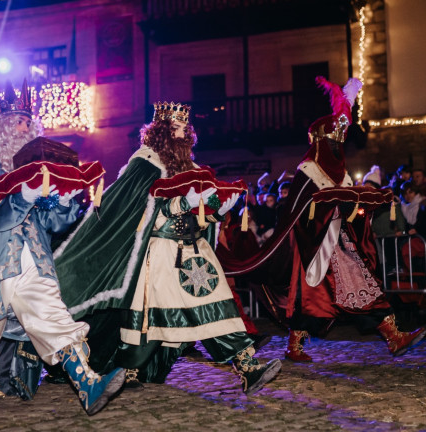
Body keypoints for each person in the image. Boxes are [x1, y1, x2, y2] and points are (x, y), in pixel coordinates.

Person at [54, 102, 281, 395]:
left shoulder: (195, 169)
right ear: (161, 131)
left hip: (196, 251)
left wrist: (219, 204)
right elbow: (136, 210)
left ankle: (249, 368)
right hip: (160, 252)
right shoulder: (145, 162)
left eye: (186, 129)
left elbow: (205, 214)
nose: (184, 133)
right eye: (177, 128)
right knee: (154, 318)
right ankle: (128, 370)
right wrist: (179, 202)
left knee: (218, 305)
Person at [218, 77, 426, 362]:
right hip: (312, 248)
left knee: (362, 286)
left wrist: (369, 200)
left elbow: (349, 204)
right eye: (333, 142)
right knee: (312, 300)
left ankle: (393, 336)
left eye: (339, 142)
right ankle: (295, 345)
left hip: (340, 243)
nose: (337, 148)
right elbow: (300, 211)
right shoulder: (308, 169)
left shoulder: (342, 174)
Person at [0, 87, 125, 416]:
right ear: (0, 125)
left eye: (29, 123)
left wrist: (63, 203)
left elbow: (49, 220)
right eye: (17, 121)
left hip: (32, 254)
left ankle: (88, 384)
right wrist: (22, 197)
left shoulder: (36, 164)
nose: (24, 128)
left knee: (53, 315)